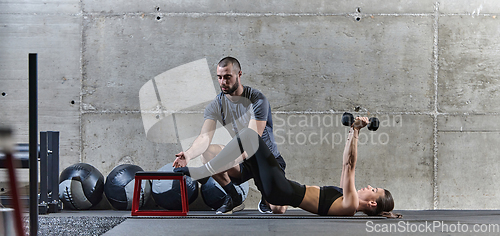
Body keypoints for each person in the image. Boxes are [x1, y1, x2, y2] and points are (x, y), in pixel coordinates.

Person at [175, 117, 400, 217]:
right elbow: (345, 166)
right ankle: (230, 191)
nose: (370, 186)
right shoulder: (345, 199)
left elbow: (350, 165)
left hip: (281, 190)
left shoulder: (350, 205)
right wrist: (352, 129)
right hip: (279, 189)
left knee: (249, 136)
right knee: (249, 146)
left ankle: (203, 172)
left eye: (375, 189)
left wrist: (358, 132)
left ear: (372, 202)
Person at [173, 57, 287, 214]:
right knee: (208, 152)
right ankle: (234, 196)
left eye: (227, 77)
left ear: (239, 74)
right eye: (219, 77)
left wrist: (223, 161)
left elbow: (252, 140)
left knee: (278, 209)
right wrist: (188, 154)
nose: (222, 82)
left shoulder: (257, 100)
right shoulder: (216, 104)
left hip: (265, 159)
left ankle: (270, 191)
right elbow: (204, 138)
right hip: (241, 160)